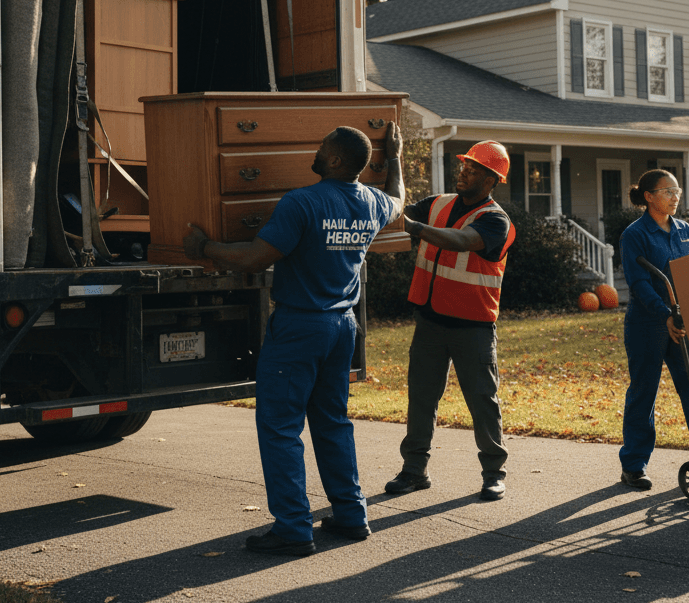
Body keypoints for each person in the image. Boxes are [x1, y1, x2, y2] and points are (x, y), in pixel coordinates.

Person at [183, 123, 404, 556]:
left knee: (281, 427)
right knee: (332, 422)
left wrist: (205, 247)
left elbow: (253, 257)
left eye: (322, 147)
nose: (316, 151)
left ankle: (292, 528)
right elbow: (399, 200)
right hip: (342, 327)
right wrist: (393, 155)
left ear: (336, 159)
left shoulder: (303, 202)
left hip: (300, 328)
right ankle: (350, 514)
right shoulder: (373, 202)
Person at [384, 141, 516, 502]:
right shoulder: (437, 204)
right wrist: (394, 158)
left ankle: (494, 473)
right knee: (421, 399)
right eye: (464, 166)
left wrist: (412, 226)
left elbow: (461, 241)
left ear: (492, 179)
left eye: (473, 169)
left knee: (482, 401)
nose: (464, 172)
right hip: (429, 321)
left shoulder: (495, 220)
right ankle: (414, 471)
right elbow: (394, 207)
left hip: (472, 328)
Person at [617, 169, 689, 490]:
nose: (675, 197)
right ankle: (634, 465)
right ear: (649, 196)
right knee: (644, 392)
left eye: (677, 191)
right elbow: (638, 283)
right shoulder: (634, 235)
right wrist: (665, 314)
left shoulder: (687, 232)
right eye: (668, 191)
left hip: (684, 325)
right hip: (647, 326)